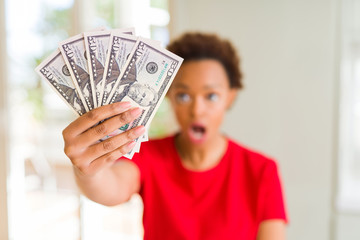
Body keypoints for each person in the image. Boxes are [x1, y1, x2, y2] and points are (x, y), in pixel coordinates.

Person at [62, 32, 288, 240]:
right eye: (183, 96)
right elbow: (110, 187)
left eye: (211, 96)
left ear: (230, 97)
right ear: (168, 95)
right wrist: (87, 170)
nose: (197, 110)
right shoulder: (149, 155)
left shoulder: (262, 170)